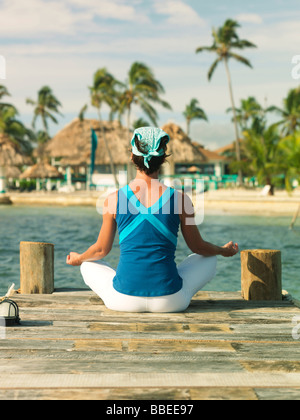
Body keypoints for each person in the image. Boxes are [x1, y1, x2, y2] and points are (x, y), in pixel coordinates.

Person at [66, 127, 239, 313]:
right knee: (209, 259)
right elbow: (197, 247)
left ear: (132, 157)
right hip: (171, 301)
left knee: (88, 263)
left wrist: (78, 259)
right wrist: (222, 250)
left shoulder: (113, 199)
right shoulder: (181, 199)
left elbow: (101, 249)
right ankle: (176, 289)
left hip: (123, 300)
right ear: (163, 159)